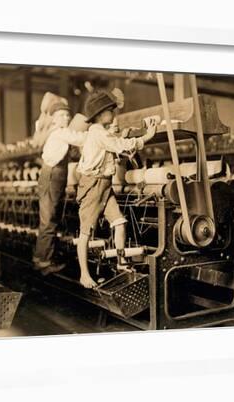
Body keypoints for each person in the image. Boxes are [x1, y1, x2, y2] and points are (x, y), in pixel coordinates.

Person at [75, 90, 158, 288]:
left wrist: (123, 135)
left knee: (119, 222)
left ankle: (121, 262)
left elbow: (114, 144)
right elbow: (120, 145)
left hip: (104, 185)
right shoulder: (97, 132)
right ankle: (84, 274)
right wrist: (147, 137)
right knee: (86, 233)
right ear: (101, 114)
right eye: (111, 110)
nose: (113, 113)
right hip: (93, 185)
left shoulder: (100, 132)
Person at [33, 101, 88, 274]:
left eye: (67, 115)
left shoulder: (56, 133)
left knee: (49, 219)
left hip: (54, 175)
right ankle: (44, 262)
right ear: (55, 119)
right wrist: (99, 133)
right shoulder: (60, 132)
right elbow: (81, 138)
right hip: (52, 176)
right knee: (49, 219)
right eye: (62, 115)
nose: (66, 117)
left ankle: (40, 257)